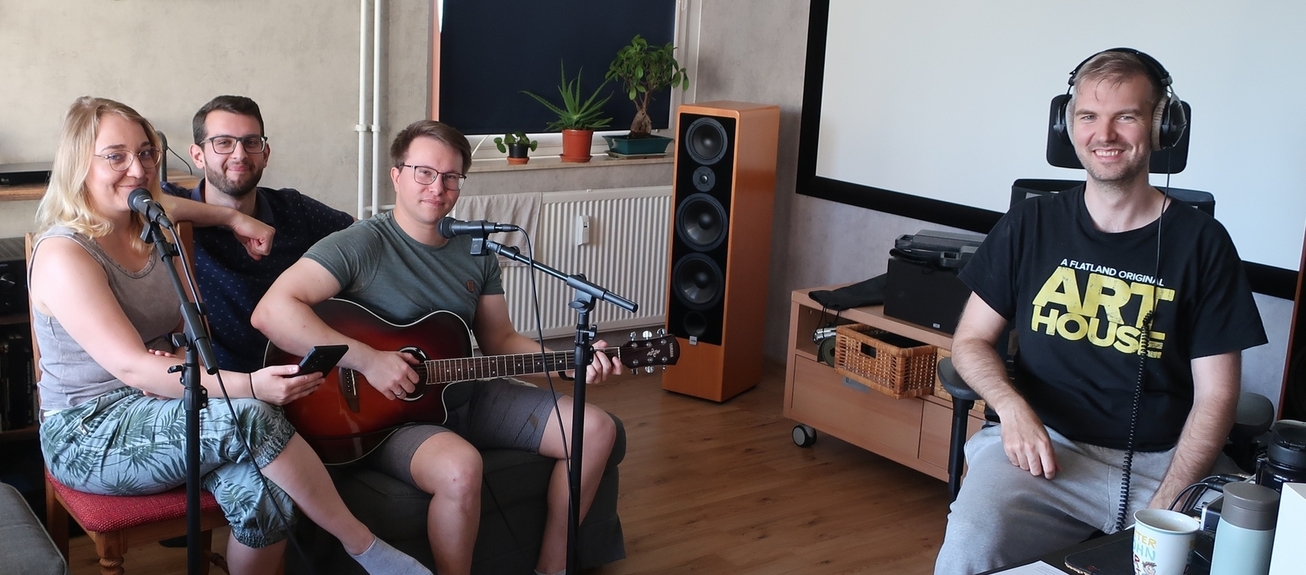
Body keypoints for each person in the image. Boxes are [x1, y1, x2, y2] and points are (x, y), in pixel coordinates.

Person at [29, 96, 429, 575]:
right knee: (253, 416)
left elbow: (175, 218)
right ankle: (366, 549)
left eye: (147, 152)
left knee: (267, 497)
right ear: (79, 163)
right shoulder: (64, 253)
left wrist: (234, 218)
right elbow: (133, 366)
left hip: (159, 404)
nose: (136, 169)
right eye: (115, 156)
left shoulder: (152, 226)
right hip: (89, 431)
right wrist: (253, 384)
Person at [933, 50, 1267, 574]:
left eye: (1127, 116)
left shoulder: (1203, 244)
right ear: (1069, 126)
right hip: (1042, 455)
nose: (1104, 134)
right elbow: (971, 340)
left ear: (1162, 127)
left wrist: (1171, 498)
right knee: (968, 550)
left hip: (1168, 463)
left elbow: (1218, 394)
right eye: (1088, 117)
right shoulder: (1030, 223)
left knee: (1243, 559)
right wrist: (1013, 409)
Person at [252, 119, 621, 575]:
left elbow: (499, 340)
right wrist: (368, 360)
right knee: (459, 468)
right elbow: (270, 312)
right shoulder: (362, 243)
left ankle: (552, 568)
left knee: (596, 428)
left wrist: (570, 363)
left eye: (450, 177)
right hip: (388, 414)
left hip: (463, 391)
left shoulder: (476, 250)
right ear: (397, 175)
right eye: (424, 172)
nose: (437, 187)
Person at [162, 95, 354, 372]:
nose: (240, 154)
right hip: (219, 389)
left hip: (304, 384)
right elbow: (129, 206)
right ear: (197, 155)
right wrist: (232, 218)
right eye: (223, 142)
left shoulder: (293, 209)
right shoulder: (171, 206)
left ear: (265, 154)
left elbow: (368, 234)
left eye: (251, 142)